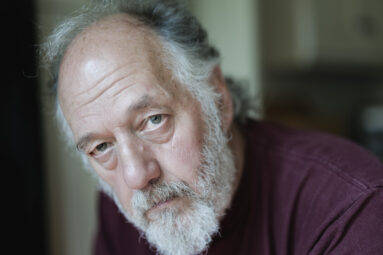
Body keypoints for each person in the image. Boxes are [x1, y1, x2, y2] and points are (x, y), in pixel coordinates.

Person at [41, 0, 383, 254]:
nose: (136, 175)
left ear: (217, 98)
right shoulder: (121, 207)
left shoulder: (350, 208)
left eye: (153, 120)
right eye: (101, 147)